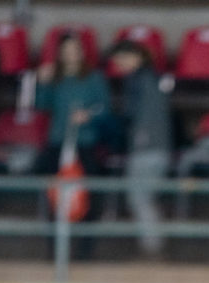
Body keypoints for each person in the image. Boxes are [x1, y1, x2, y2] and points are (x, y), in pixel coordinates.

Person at [37, 30, 113, 253]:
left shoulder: (94, 78)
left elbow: (105, 109)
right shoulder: (56, 78)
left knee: (88, 194)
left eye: (75, 50)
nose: (71, 54)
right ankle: (54, 248)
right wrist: (42, 83)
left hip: (86, 143)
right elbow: (42, 106)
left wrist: (88, 115)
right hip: (57, 142)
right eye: (66, 51)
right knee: (54, 195)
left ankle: (85, 248)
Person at [108, 40, 172, 256]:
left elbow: (136, 116)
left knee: (139, 198)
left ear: (137, 57)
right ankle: (152, 247)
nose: (119, 64)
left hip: (147, 149)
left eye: (122, 59)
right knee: (143, 198)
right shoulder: (147, 79)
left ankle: (152, 250)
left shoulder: (141, 80)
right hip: (152, 148)